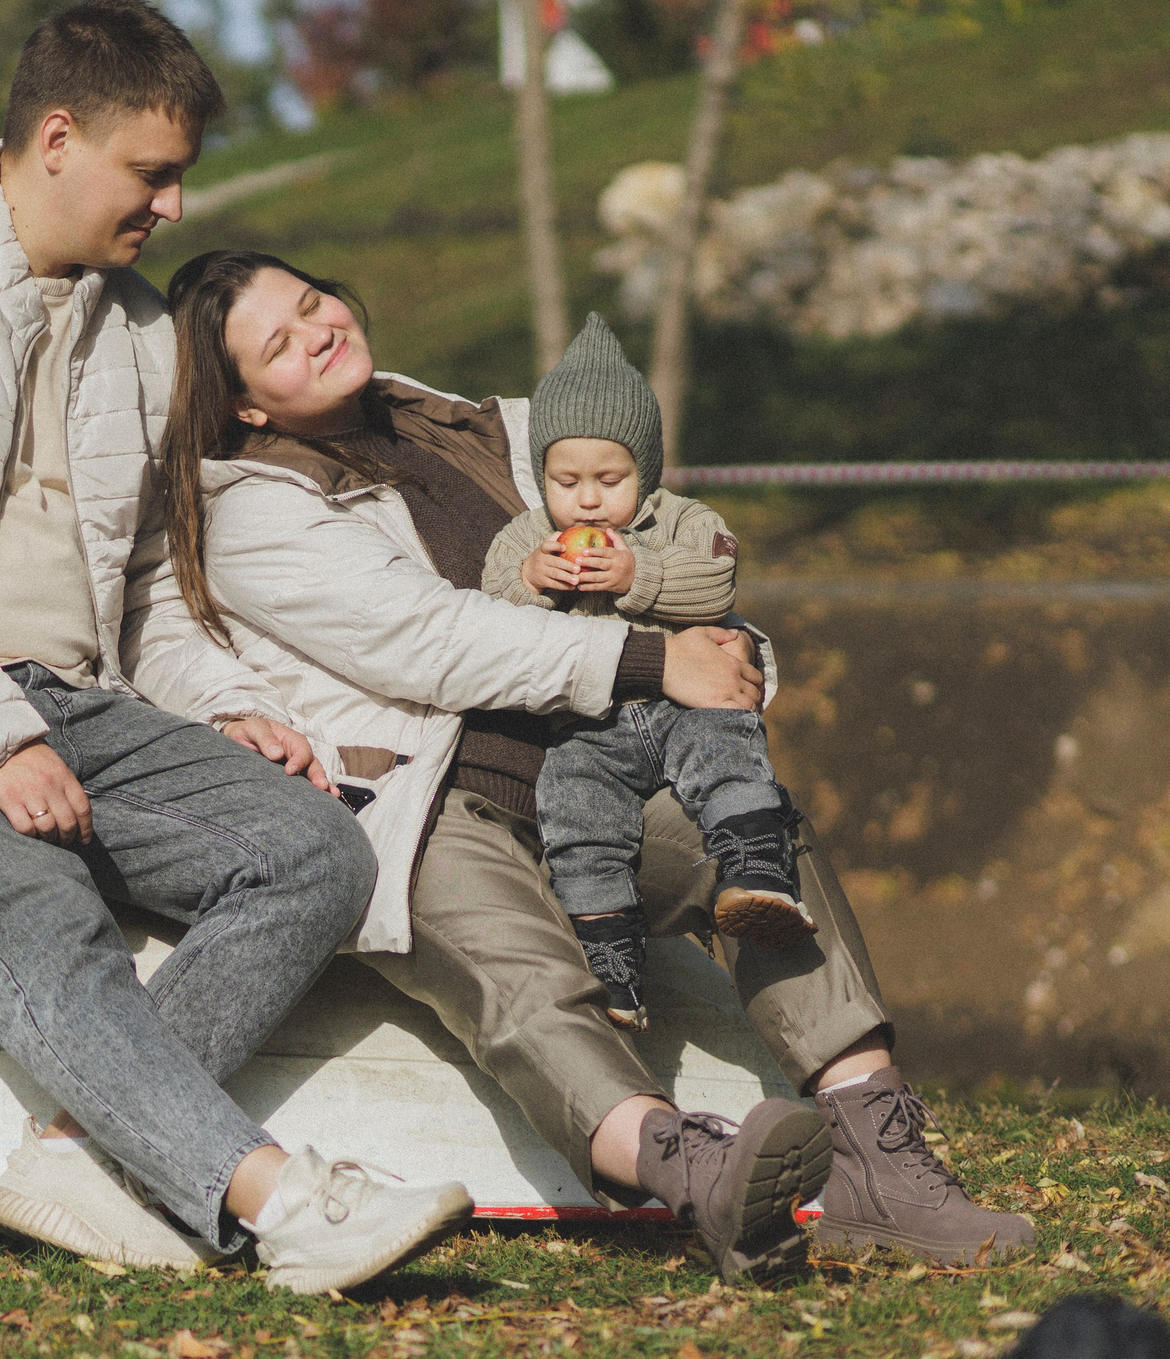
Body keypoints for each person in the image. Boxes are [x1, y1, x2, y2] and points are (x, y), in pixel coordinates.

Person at [0, 0, 472, 1293]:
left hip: (69, 701)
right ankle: (284, 1205)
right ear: (57, 137)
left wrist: (219, 699)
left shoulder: (137, 333)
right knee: (48, 911)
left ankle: (75, 1153)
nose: (171, 209)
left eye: (179, 179)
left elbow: (149, 581)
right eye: (151, 173)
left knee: (312, 853)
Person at [146, 247, 1037, 1276]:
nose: (318, 331)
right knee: (522, 982)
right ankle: (694, 1175)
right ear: (246, 404)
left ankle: (882, 1158)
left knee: (753, 836)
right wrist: (660, 658)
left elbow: (665, 549)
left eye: (313, 302)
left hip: (600, 759)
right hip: (432, 795)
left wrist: (730, 647)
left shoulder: (496, 427)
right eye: (280, 343)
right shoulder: (255, 505)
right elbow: (429, 639)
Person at [480, 313, 811, 1032]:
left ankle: (756, 871)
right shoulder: (527, 536)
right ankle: (610, 962)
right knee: (576, 819)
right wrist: (532, 578)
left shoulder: (684, 520)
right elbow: (487, 612)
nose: (588, 500)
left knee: (727, 749)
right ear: (543, 476)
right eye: (567, 481)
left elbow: (716, 582)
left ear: (647, 470)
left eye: (611, 478)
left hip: (681, 705)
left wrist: (638, 572)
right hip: (585, 728)